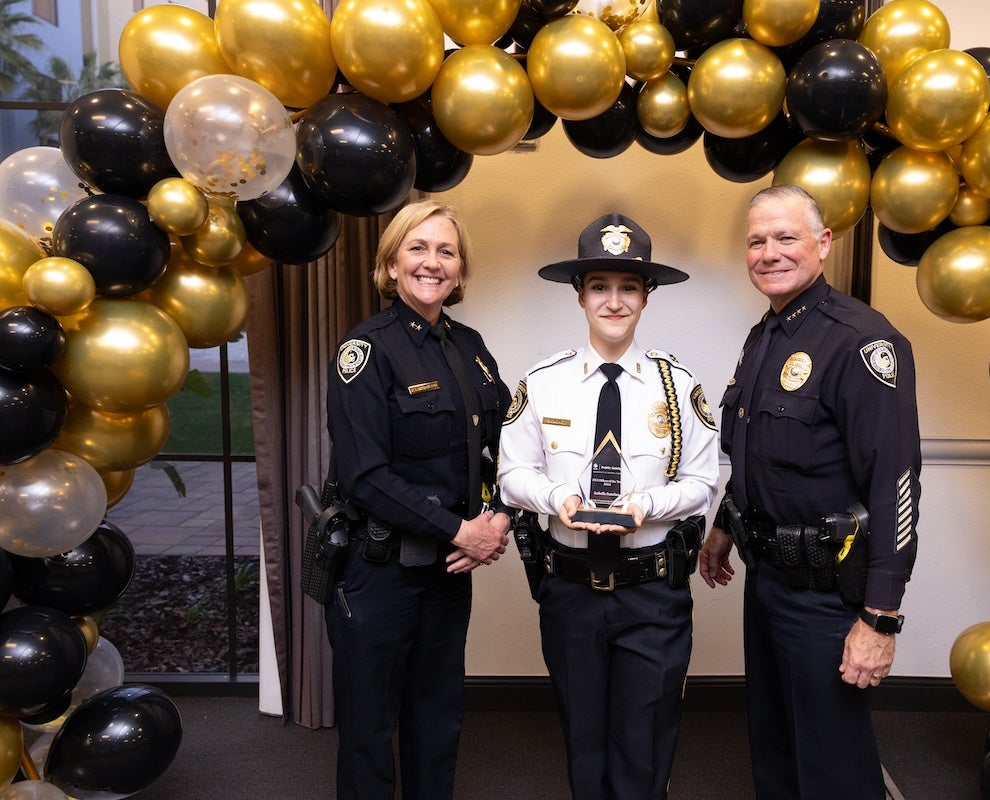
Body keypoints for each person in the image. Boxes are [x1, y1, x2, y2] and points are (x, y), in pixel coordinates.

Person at [699, 184, 921, 798]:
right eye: (756, 241)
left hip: (827, 594)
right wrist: (725, 524)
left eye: (785, 237)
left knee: (832, 765)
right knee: (773, 747)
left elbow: (895, 486)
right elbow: (754, 455)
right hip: (766, 577)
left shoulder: (861, 342)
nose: (769, 253)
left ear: (823, 243)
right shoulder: (763, 337)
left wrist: (880, 618)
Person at [498, 212, 720, 800]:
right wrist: (556, 497)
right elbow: (510, 474)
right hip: (569, 589)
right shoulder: (542, 383)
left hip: (651, 590)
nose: (614, 301)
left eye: (628, 288)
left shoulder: (678, 386)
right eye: (600, 286)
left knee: (643, 740)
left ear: (647, 297)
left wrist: (648, 504)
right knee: (584, 736)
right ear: (579, 294)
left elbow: (701, 483)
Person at [323, 199, 510, 800]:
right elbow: (364, 476)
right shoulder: (366, 351)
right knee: (370, 731)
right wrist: (461, 530)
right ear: (391, 263)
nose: (433, 262)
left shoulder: (471, 346)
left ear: (459, 269)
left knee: (438, 719)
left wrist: (500, 515)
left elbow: (508, 443)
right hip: (377, 572)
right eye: (418, 248)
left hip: (447, 573)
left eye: (446, 251)